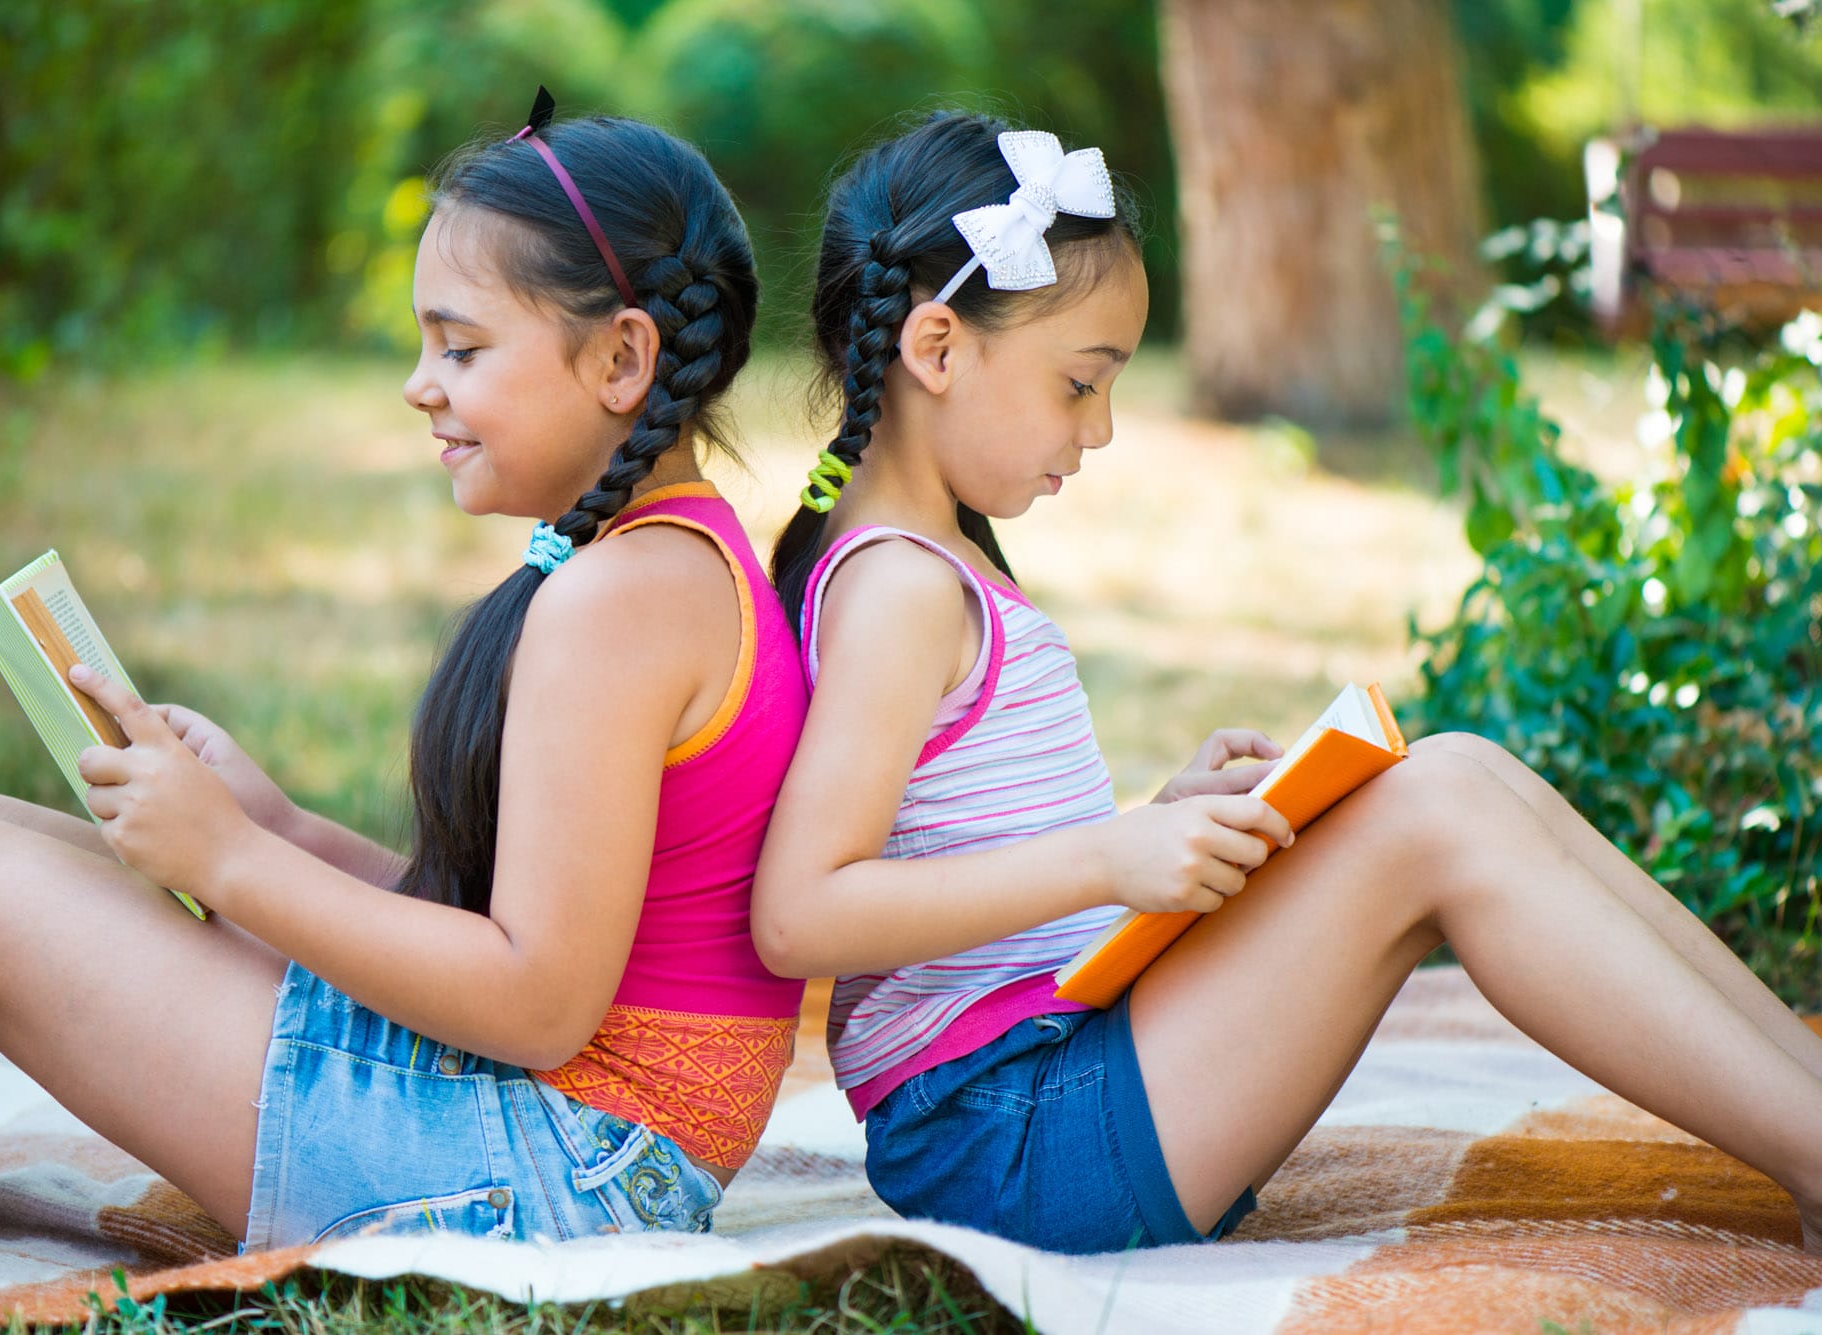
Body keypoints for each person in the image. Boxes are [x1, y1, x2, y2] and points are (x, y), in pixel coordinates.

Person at [749, 109, 1822, 1256]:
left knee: (1459, 773)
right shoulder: (897, 589)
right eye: (1079, 383)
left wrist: (1152, 825)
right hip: (1005, 1140)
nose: (1102, 427)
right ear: (936, 349)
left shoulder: (919, 566)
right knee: (1438, 818)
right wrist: (1103, 860)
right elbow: (800, 912)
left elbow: (947, 852)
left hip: (1050, 1077)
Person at [0, 95, 809, 1250]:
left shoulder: (620, 600)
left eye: (462, 346)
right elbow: (512, 934)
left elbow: (534, 1002)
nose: (419, 383)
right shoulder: (662, 565)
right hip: (566, 1142)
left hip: (558, 1173)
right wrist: (278, 825)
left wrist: (230, 861)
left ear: (622, 357)